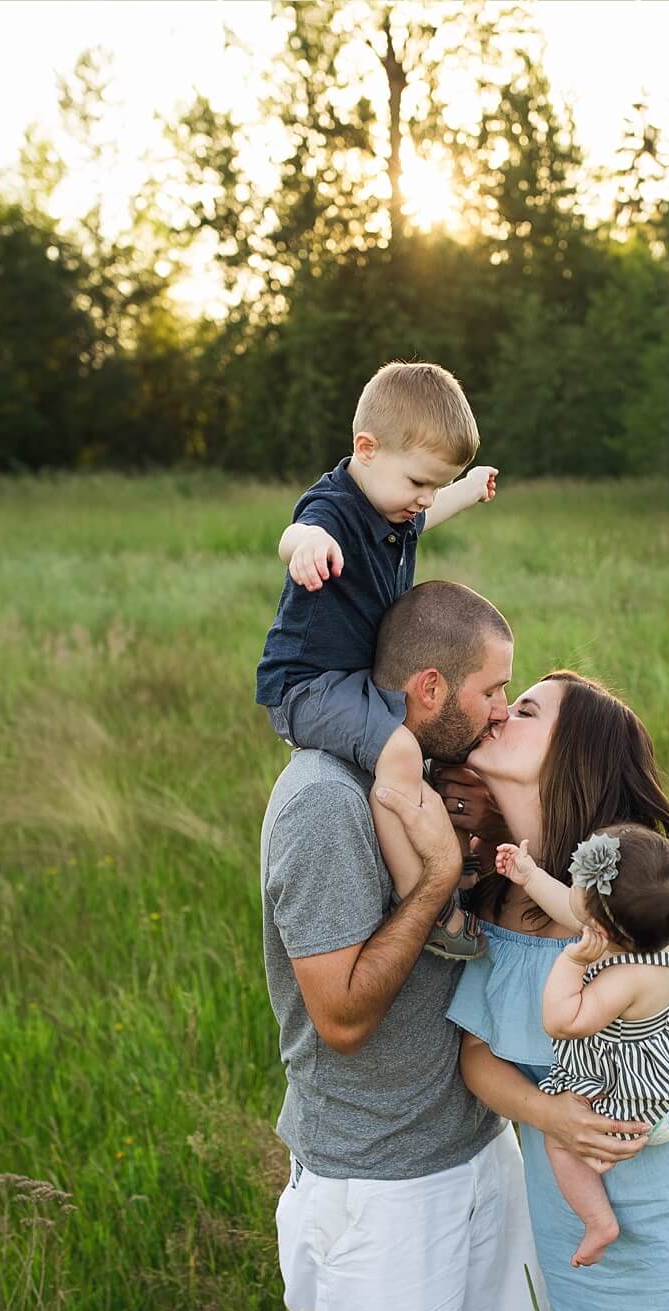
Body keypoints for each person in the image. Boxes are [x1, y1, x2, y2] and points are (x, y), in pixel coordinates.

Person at [440, 670, 669, 1311]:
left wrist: (653, 1096)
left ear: (574, 752)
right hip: (581, 1253)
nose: (498, 714)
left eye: (525, 710)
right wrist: (554, 1115)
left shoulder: (647, 892)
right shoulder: (489, 908)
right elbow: (477, 1057)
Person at [260, 579, 546, 1311]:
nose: (500, 710)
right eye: (493, 690)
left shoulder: (433, 770)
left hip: (483, 1146)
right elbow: (343, 1019)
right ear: (429, 687)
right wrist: (436, 883)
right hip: (380, 1189)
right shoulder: (325, 802)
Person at [256, 361, 499, 958]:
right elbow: (296, 530)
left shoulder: (397, 507)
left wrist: (464, 493)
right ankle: (423, 902)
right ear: (366, 449)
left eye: (435, 487)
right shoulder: (335, 508)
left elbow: (425, 515)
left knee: (431, 749)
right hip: (308, 686)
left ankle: (455, 868)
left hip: (357, 683)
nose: (423, 501)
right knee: (399, 752)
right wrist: (308, 545)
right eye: (420, 482)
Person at [496, 825, 669, 1268]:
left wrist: (572, 961)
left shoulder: (625, 979)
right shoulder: (655, 934)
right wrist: (528, 875)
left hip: (635, 1114)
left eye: (578, 882)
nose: (571, 887)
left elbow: (563, 1021)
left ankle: (598, 1222)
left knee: (559, 1144)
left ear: (599, 927)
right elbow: (571, 906)